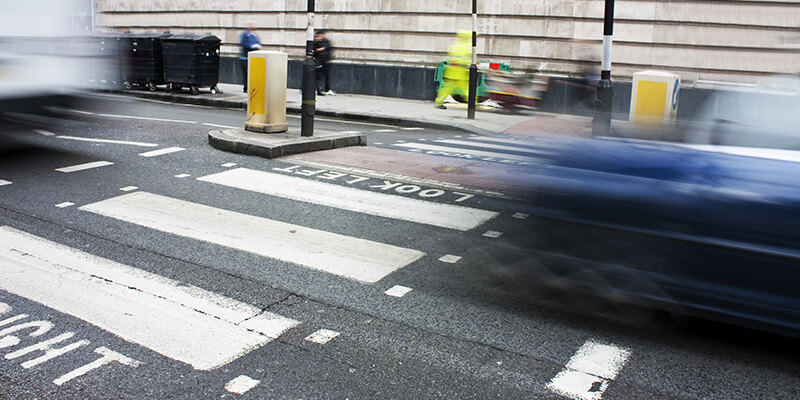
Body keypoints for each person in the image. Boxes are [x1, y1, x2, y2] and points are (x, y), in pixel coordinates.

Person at [435, 31, 473, 109]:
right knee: (466, 90)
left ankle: (438, 102)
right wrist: (470, 63)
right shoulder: (465, 46)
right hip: (460, 72)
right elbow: (462, 59)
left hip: (452, 72)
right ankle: (473, 104)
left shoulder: (455, 44)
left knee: (446, 89)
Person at [239, 21, 261, 93]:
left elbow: (258, 43)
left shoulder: (254, 35)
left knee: (252, 74)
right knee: (246, 74)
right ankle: (246, 88)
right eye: (250, 25)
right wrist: (252, 46)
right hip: (245, 57)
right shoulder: (245, 35)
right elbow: (243, 44)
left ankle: (252, 87)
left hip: (254, 58)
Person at [313, 30, 335, 96]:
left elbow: (328, 50)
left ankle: (327, 89)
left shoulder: (326, 41)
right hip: (318, 61)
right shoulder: (316, 42)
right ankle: (317, 89)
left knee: (326, 76)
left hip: (325, 61)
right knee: (317, 77)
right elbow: (314, 51)